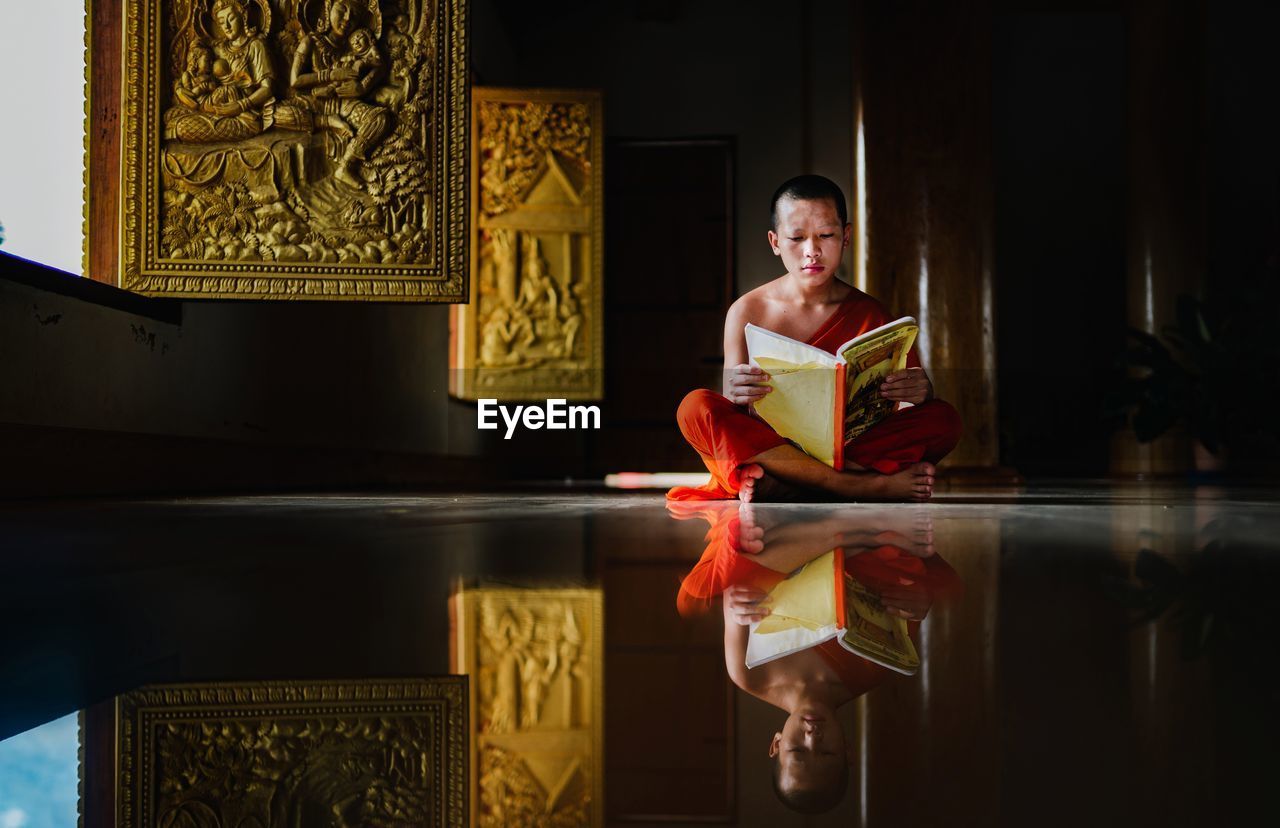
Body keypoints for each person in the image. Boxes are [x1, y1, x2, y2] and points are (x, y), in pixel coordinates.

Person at [671, 175, 963, 502]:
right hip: (774, 445)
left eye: (826, 235)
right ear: (775, 241)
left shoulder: (873, 314)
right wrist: (735, 389)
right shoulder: (746, 311)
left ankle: (791, 483)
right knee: (694, 407)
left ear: (846, 236)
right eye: (796, 238)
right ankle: (856, 485)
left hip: (843, 448)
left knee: (944, 419)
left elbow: (906, 405)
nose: (812, 251)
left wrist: (922, 392)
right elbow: (734, 407)